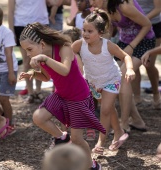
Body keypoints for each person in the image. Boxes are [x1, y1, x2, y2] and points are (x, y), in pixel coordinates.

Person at [19, 22, 106, 170]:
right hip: (61, 95)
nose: (28, 54)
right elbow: (47, 77)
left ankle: (92, 165)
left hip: (79, 96)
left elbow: (65, 70)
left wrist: (45, 59)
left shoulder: (64, 48)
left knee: (77, 139)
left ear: (41, 44)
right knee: (38, 117)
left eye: (29, 49)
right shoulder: (41, 57)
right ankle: (62, 137)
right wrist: (32, 74)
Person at [72, 8, 134, 154]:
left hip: (111, 80)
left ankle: (101, 141)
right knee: (109, 108)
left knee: (105, 110)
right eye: (84, 30)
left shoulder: (108, 45)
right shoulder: (80, 44)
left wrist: (130, 69)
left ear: (100, 33)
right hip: (93, 82)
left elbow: (126, 56)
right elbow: (68, 52)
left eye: (90, 31)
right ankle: (119, 132)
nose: (85, 34)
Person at [90, 0, 155, 132]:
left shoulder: (123, 6)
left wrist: (132, 46)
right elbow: (111, 31)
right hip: (124, 42)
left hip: (143, 42)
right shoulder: (104, 9)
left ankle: (124, 124)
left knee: (123, 77)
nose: (91, 2)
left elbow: (147, 25)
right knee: (113, 76)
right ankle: (137, 121)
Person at [8, 0, 49, 103]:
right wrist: (11, 31)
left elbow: (51, 2)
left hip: (41, 24)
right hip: (21, 24)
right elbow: (10, 10)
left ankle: (38, 91)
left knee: (40, 60)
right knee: (27, 61)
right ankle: (30, 93)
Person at [0, 4, 18, 134]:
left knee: (3, 98)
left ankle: (10, 124)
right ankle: (1, 118)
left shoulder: (5, 33)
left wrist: (11, 73)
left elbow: (8, 54)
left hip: (7, 69)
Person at [132, 0, 161, 109]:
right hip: (134, 27)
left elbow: (158, 9)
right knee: (133, 63)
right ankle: (137, 97)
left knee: (149, 64)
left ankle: (156, 95)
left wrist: (142, 20)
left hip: (153, 25)